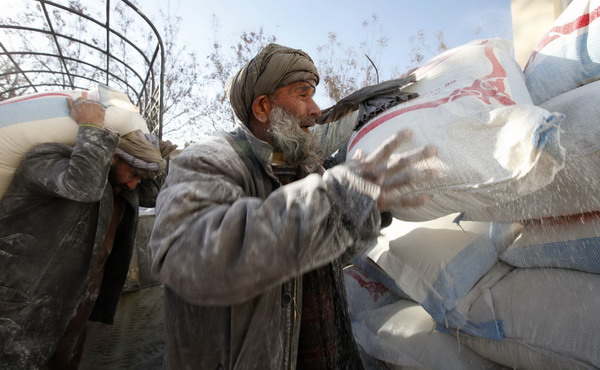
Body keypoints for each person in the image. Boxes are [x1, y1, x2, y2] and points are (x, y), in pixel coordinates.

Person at [149, 43, 435, 369]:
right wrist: (340, 198)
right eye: (303, 95)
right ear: (262, 107)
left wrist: (369, 208)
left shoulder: (307, 168)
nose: (316, 110)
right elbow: (189, 257)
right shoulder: (208, 159)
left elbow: (324, 257)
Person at [0, 97, 176, 369]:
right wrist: (92, 126)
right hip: (24, 300)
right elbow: (82, 186)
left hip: (73, 300)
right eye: (132, 173)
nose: (132, 184)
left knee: (63, 361)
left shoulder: (116, 184)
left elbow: (155, 195)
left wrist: (162, 158)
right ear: (113, 155)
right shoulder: (44, 158)